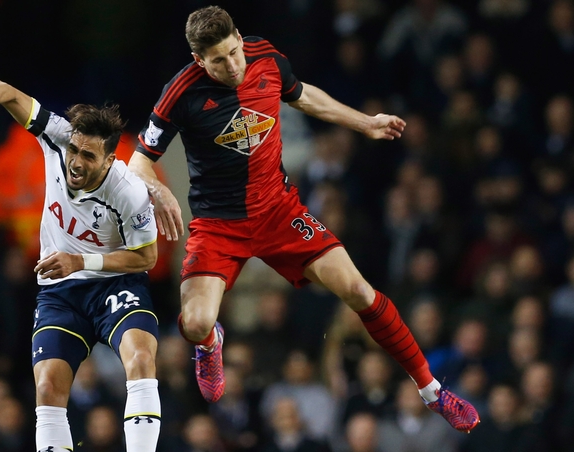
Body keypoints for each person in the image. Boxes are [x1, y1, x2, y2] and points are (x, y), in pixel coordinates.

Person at [128, 5, 479, 433]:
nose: (232, 66)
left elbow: (302, 95)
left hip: (279, 210)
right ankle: (209, 342)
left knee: (359, 291)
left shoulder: (266, 57)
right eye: (218, 61)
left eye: (234, 52)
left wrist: (364, 123)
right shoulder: (181, 92)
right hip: (219, 224)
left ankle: (432, 391)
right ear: (199, 60)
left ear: (239, 37)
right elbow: (139, 161)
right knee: (196, 322)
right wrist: (160, 189)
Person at [0, 80, 162, 452]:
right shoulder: (56, 138)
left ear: (110, 160)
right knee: (47, 387)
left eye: (90, 156)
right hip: (61, 293)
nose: (77, 162)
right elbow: (10, 92)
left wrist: (80, 260)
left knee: (141, 358)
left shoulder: (129, 192)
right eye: (75, 150)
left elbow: (147, 258)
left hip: (115, 283)